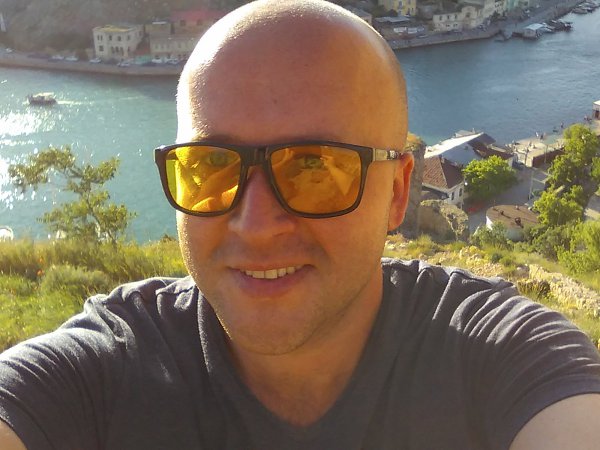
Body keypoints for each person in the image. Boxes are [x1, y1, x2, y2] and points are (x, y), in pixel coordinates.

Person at [2, 1, 600, 449]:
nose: (256, 225)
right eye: (210, 166)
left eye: (316, 168)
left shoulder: (500, 355)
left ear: (397, 193)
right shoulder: (108, 370)